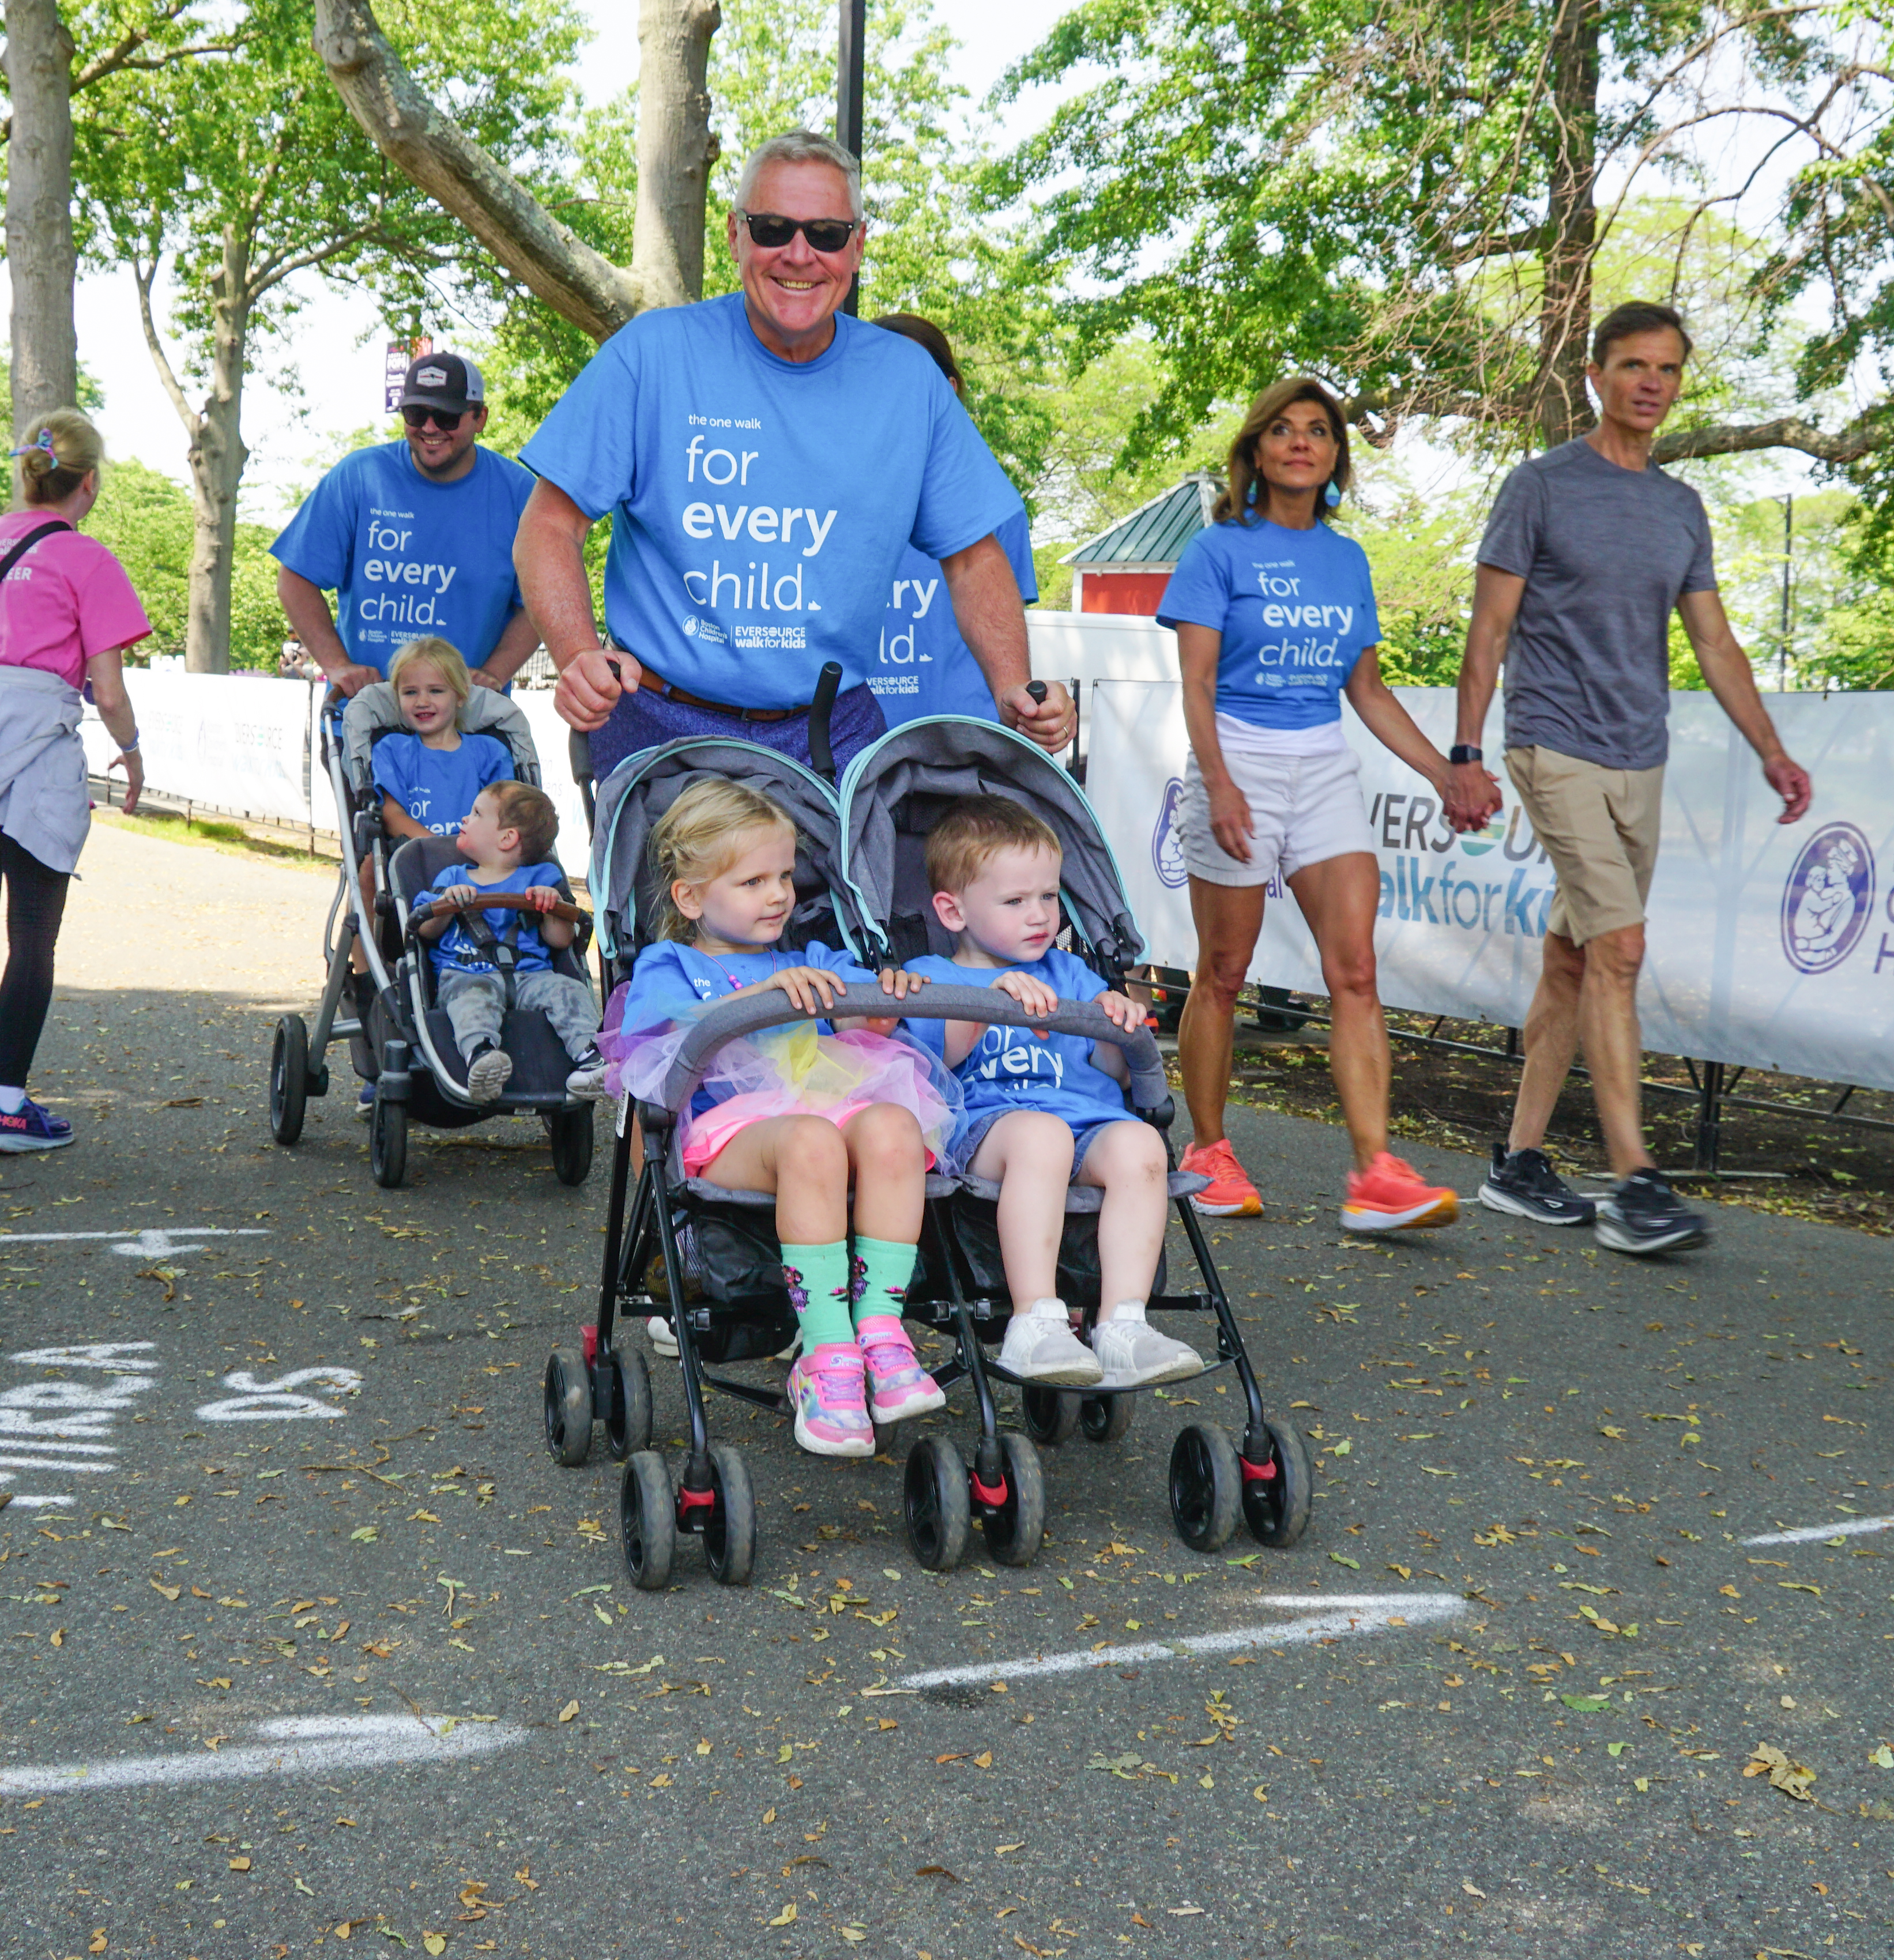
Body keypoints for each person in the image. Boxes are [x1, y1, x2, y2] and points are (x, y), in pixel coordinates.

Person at [510, 131, 1076, 779]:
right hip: (661, 727)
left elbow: (974, 557)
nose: (800, 254)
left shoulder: (908, 381)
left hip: (831, 732)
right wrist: (579, 652)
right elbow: (549, 527)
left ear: (858, 245)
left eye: (827, 234)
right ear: (735, 235)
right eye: (773, 227)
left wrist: (1013, 684)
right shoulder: (652, 354)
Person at [1452, 302, 1812, 1258]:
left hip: (1637, 758)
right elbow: (1489, 631)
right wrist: (1466, 749)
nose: (1651, 382)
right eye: (1632, 366)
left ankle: (1520, 1163)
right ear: (1595, 377)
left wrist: (1771, 749)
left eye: (1667, 368)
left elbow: (1713, 640)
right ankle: (1636, 1183)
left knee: (1575, 957)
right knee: (1620, 952)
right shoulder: (1539, 488)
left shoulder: (1678, 507)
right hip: (1550, 743)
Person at [1162, 378, 1491, 1237]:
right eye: (1283, 430)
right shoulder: (1218, 550)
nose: (1302, 443)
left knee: (1355, 970)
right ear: (1257, 452)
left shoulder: (1347, 561)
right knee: (1223, 974)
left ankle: (1375, 1173)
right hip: (1238, 759)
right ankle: (1208, 1149)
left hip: (1322, 767)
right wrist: (1222, 781)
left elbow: (1368, 690)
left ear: (1337, 455)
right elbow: (1196, 682)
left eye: (1318, 431)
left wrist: (1443, 772)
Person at [611, 777, 952, 1459]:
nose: (778, 896)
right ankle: (827, 1352)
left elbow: (864, 1012)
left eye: (786, 877)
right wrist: (752, 1000)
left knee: (893, 1127)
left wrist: (876, 1006)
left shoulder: (811, 959)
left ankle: (880, 1333)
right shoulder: (669, 964)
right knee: (812, 1140)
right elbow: (649, 1054)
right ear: (690, 896)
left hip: (821, 1107)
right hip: (726, 1131)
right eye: (752, 882)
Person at [0, 410, 153, 1156]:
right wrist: (132, 753)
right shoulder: (87, 560)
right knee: (32, 928)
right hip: (33, 735)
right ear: (91, 481)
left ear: (29, 472)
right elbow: (106, 689)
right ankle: (9, 1105)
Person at [898, 797, 1199, 1389]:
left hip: (1086, 1122)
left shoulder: (1071, 975)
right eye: (1015, 901)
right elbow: (935, 1062)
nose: (1039, 915)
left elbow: (1114, 1068)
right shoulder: (935, 977)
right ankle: (1035, 1320)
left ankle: (1122, 1325)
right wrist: (987, 1002)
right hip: (991, 1126)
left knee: (1143, 1145)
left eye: (1048, 896)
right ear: (952, 910)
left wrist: (1119, 1016)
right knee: (1043, 1137)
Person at [272, 351, 541, 698]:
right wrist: (337, 665)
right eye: (416, 414)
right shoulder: (360, 477)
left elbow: (540, 598)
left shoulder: (520, 494)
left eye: (446, 417)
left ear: (480, 418)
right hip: (367, 718)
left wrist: (494, 673)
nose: (430, 428)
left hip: (470, 727)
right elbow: (295, 578)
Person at [869, 315, 1041, 725]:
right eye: (877, 381)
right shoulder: (830, 494)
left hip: (963, 750)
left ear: (948, 390)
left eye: (911, 382)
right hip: (851, 745)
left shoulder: (995, 507)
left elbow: (1007, 646)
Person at [413, 778, 608, 1102]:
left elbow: (560, 941)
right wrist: (447, 903)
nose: (465, 819)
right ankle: (482, 1056)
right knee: (471, 1001)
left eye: (476, 814)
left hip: (533, 976)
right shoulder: (452, 879)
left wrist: (552, 909)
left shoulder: (542, 879)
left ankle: (590, 1058)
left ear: (507, 838)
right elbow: (425, 931)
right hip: (467, 974)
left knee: (569, 990)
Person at [370, 636, 514, 842]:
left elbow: (502, 818)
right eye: (410, 692)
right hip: (418, 861)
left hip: (479, 862)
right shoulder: (393, 751)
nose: (422, 701)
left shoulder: (490, 753)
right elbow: (392, 817)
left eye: (435, 691)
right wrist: (440, 850)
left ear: (461, 695)